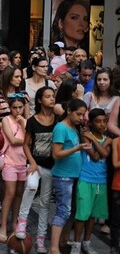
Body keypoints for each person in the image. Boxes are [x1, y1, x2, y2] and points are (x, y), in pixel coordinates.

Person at [15, 86, 56, 253]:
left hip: (51, 166)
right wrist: (31, 163)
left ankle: (41, 238)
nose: (52, 99)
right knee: (31, 186)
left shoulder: (58, 119)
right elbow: (26, 144)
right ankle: (22, 221)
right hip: (34, 163)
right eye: (47, 96)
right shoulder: (32, 120)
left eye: (53, 96)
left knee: (45, 202)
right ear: (40, 100)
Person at [50, 98, 90, 254]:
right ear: (69, 111)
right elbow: (56, 154)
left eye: (83, 115)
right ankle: (53, 248)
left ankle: (62, 240)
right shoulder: (61, 128)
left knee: (70, 210)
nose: (81, 118)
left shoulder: (74, 128)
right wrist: (77, 148)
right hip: (63, 176)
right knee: (63, 211)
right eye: (78, 114)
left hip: (73, 175)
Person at [72, 108, 111, 254]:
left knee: (92, 215)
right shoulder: (84, 137)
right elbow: (95, 157)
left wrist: (94, 139)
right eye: (97, 121)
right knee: (82, 214)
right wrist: (98, 142)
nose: (101, 124)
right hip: (86, 179)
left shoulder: (107, 138)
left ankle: (86, 243)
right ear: (91, 123)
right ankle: (76, 244)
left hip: (101, 180)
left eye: (104, 121)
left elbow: (104, 154)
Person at [0, 96, 28, 243]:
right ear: (10, 108)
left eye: (20, 107)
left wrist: (23, 123)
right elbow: (14, 140)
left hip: (23, 161)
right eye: (14, 107)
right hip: (9, 161)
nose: (17, 111)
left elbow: (32, 139)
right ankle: (3, 225)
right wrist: (26, 141)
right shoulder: (6, 120)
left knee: (19, 193)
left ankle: (14, 222)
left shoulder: (26, 122)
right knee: (9, 192)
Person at [85, 68, 120, 136]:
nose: (101, 82)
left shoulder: (116, 99)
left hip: (109, 136)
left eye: (105, 79)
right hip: (90, 134)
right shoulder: (89, 96)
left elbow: (113, 123)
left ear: (110, 81)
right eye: (99, 79)